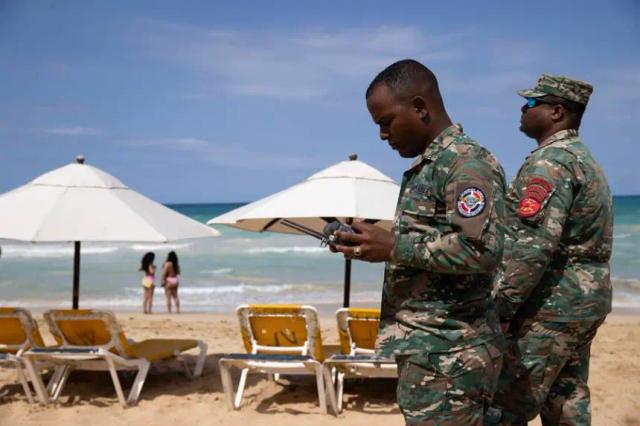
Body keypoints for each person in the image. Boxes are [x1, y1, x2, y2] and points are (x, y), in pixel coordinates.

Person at [331, 59, 506, 425]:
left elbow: (482, 249)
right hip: (431, 350)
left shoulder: (466, 163)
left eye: (386, 122)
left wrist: (395, 246)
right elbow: (432, 247)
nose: (382, 135)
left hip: (451, 354)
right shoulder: (430, 166)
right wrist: (369, 244)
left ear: (420, 108)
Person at [487, 75, 613, 426]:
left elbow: (532, 247)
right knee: (566, 401)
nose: (522, 109)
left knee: (505, 405)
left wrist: (501, 308)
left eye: (530, 103)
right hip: (584, 301)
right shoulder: (584, 158)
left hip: (550, 307)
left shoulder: (551, 163)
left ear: (557, 111)